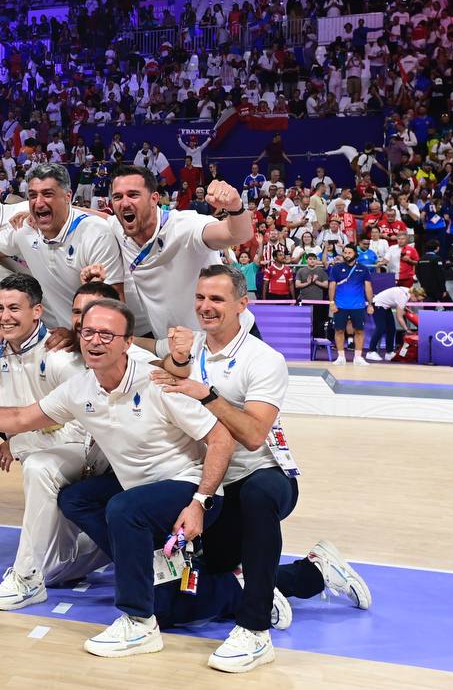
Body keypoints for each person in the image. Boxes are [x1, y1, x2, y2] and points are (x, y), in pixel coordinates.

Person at [0, 298, 237, 660]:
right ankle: (150, 565)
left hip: (188, 489)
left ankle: (139, 623)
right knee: (77, 498)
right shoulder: (80, 388)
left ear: (128, 342)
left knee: (125, 511)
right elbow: (20, 418)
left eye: (107, 335)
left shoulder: (159, 381)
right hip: (139, 493)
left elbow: (221, 437)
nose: (95, 341)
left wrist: (200, 502)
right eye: (88, 332)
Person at [149, 265, 368, 672]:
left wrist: (207, 394)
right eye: (200, 298)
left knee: (257, 495)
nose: (205, 307)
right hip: (210, 485)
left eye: (216, 299)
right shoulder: (194, 346)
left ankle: (254, 633)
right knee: (200, 587)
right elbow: (162, 363)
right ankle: (313, 573)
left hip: (266, 476)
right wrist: (173, 357)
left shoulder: (264, 359)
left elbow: (252, 434)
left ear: (241, 305)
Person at [0, 278, 158, 610]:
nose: (83, 323)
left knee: (40, 466)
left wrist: (18, 445)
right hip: (89, 454)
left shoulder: (78, 358)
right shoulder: (0, 352)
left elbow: (80, 433)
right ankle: (104, 548)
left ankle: (27, 577)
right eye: (77, 314)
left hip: (141, 466)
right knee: (55, 569)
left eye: (92, 315)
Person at [97, 165, 252, 335]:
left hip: (230, 336)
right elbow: (93, 217)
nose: (125, 203)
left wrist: (236, 207)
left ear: (154, 198)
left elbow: (236, 235)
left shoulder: (185, 227)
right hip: (176, 347)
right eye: (117, 197)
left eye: (133, 195)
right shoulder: (118, 228)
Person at [0, 163, 125, 329]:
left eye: (47, 194)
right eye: (33, 195)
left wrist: (73, 335)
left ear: (68, 196)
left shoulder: (95, 233)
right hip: (68, 333)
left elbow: (115, 311)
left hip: (120, 335)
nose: (39, 203)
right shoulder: (25, 228)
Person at [327, 243, 376, 365]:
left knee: (359, 331)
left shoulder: (363, 269)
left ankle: (358, 357)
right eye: (345, 252)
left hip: (358, 306)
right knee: (339, 330)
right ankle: (341, 357)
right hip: (340, 306)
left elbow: (368, 287)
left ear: (355, 254)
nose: (346, 255)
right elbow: (332, 285)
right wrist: (332, 302)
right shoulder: (337, 268)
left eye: (349, 253)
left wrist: (370, 304)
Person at [367, 284, 425, 361]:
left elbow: (399, 303)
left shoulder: (408, 291)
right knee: (380, 328)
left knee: (391, 329)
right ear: (414, 295)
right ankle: (371, 352)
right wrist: (407, 329)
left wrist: (406, 309)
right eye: (418, 300)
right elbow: (399, 317)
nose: (418, 302)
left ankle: (389, 352)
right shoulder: (403, 296)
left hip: (385, 306)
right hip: (378, 304)